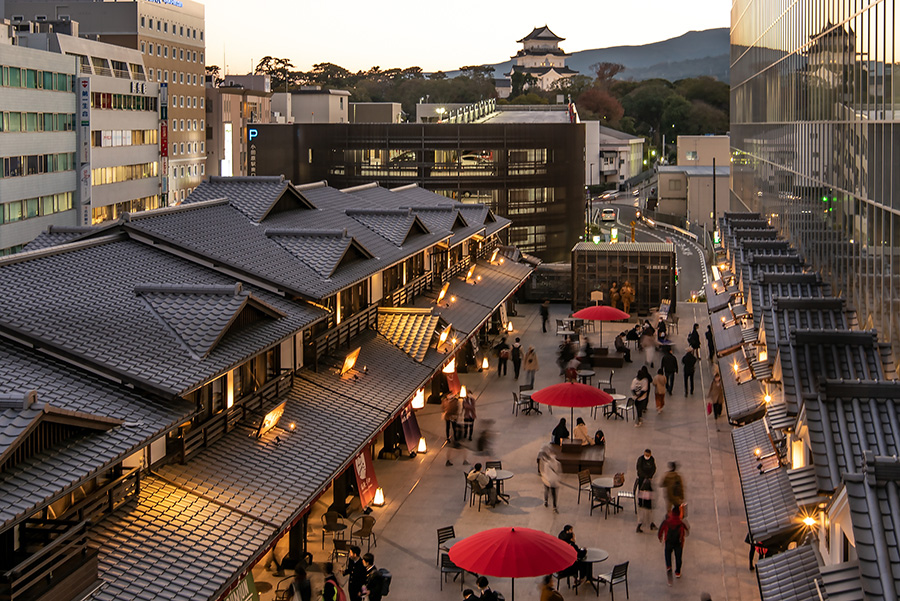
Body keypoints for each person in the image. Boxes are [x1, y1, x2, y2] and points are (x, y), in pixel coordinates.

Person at [658, 505, 690, 583]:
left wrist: (660, 537)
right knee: (678, 557)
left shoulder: (667, 521)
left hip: (669, 542)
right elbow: (687, 531)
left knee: (668, 555)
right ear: (679, 514)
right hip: (678, 543)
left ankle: (669, 567)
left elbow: (660, 530)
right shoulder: (681, 522)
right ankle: (677, 572)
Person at [537, 444, 561, 513]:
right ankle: (554, 506)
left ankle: (546, 501)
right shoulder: (555, 462)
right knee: (554, 494)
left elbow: (544, 471)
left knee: (546, 490)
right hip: (553, 480)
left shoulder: (546, 463)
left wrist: (544, 477)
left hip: (548, 480)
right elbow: (557, 469)